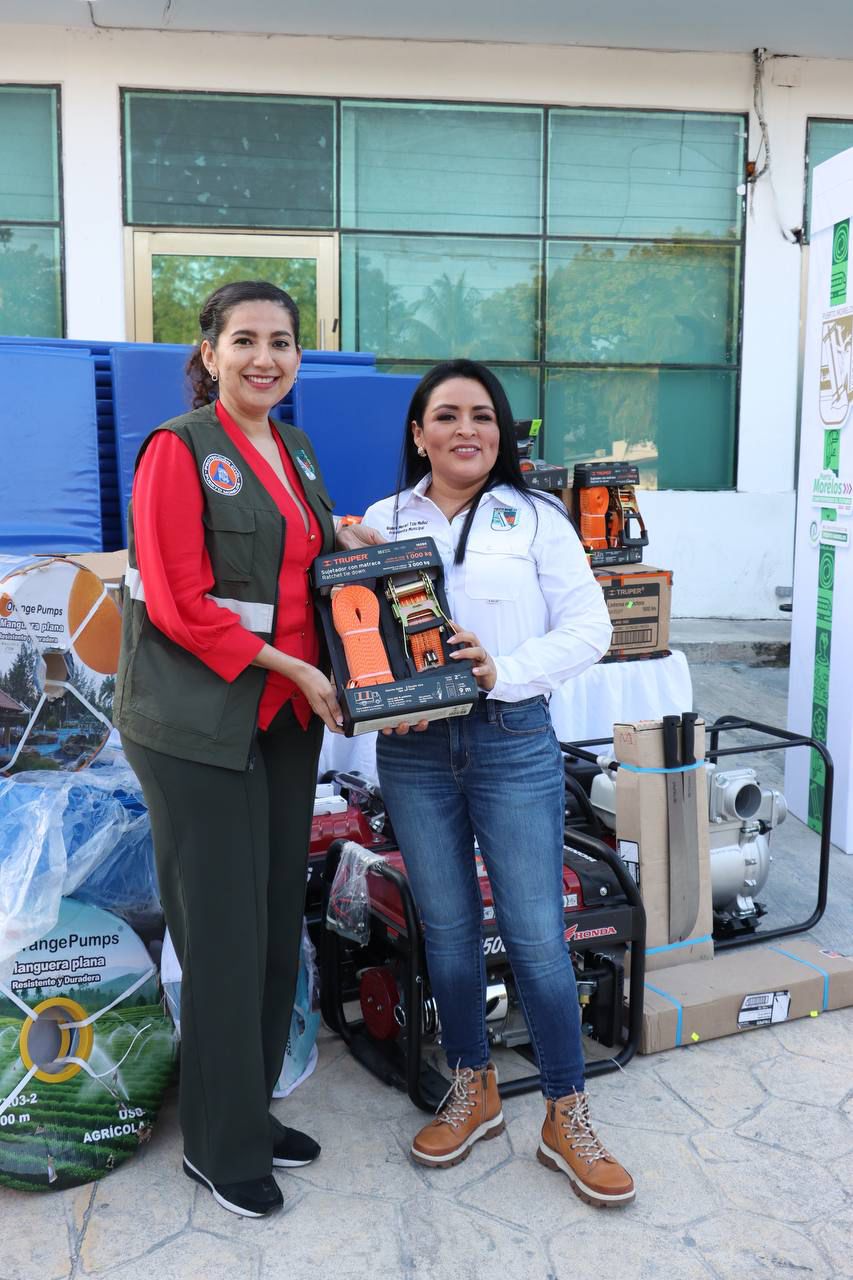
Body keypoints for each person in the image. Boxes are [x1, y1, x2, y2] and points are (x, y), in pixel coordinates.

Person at [114, 280, 381, 1218]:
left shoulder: (294, 449)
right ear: (210, 352)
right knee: (222, 937)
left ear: (298, 355)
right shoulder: (178, 449)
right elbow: (177, 602)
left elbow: (291, 559)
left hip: (282, 720)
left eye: (281, 341)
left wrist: (342, 536)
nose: (264, 358)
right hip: (198, 723)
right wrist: (295, 669)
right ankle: (217, 1146)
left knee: (271, 929)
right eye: (245, 340)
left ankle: (248, 1109)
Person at [362, 359, 635, 1208]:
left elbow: (590, 628)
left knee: (535, 934)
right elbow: (357, 629)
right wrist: (373, 694)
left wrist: (502, 670)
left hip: (512, 738)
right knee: (446, 930)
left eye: (481, 415)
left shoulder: (538, 518)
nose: (466, 430)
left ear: (501, 432)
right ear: (418, 434)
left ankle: (564, 1112)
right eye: (446, 416)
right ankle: (472, 1086)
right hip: (413, 749)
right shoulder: (379, 521)